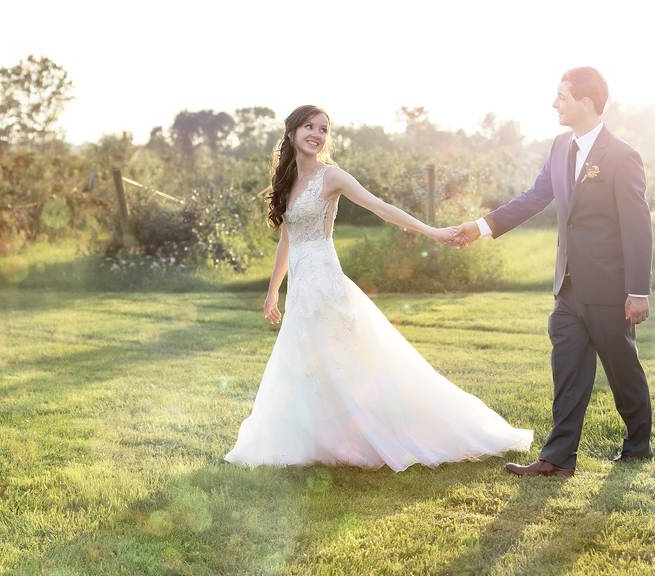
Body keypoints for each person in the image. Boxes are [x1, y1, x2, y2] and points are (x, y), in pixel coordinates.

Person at [224, 104, 532, 472]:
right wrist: (274, 290)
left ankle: (385, 435)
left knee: (351, 365)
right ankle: (324, 442)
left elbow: (380, 207)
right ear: (291, 133)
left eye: (323, 129)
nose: (317, 134)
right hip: (302, 292)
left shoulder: (331, 176)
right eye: (309, 126)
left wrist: (433, 232)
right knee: (307, 367)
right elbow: (286, 241)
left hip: (326, 285)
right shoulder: (289, 182)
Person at [452, 67, 654, 477]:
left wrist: (638, 290)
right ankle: (557, 459)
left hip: (610, 288)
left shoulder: (622, 155)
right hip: (568, 286)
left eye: (562, 96)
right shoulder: (560, 146)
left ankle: (638, 446)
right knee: (567, 372)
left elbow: (638, 225)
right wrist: (482, 227)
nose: (554, 103)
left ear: (586, 101)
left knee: (622, 369)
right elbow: (534, 198)